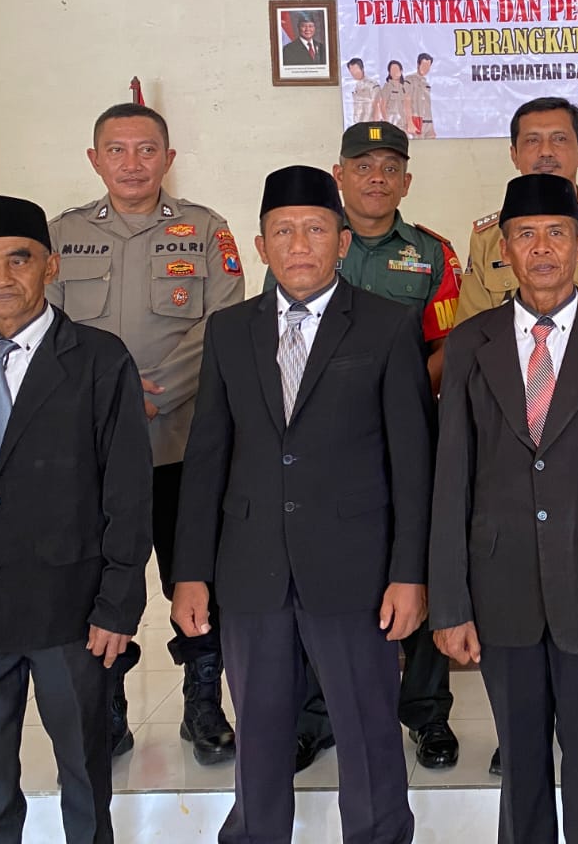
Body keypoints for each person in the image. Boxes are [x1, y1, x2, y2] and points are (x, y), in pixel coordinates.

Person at [172, 165, 433, 844]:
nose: (298, 245)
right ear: (261, 246)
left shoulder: (385, 326)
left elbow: (413, 464)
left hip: (355, 571)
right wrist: (189, 572)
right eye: (282, 231)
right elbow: (206, 458)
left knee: (367, 729)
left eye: (315, 229)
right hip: (250, 568)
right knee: (259, 731)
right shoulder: (230, 331)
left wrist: (410, 573)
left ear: (342, 241)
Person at [430, 173, 578, 844]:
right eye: (526, 235)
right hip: (500, 584)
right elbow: (450, 480)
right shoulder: (471, 342)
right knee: (520, 761)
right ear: (504, 249)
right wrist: (449, 603)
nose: (542, 248)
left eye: (556, 234)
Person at [0, 196, 152, 844]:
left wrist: (117, 604)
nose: (2, 277)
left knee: (83, 771)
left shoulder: (99, 360)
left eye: (19, 259)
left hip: (67, 611)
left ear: (50, 266)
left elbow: (129, 493)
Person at [261, 120, 463, 772]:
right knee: (319, 574)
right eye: (363, 165)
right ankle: (316, 716)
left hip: (409, 433)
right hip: (320, 446)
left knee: (417, 562)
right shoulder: (305, 241)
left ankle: (427, 714)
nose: (376, 177)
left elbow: (449, 344)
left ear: (406, 180)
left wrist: (396, 392)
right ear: (340, 174)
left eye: (389, 167)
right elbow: (279, 339)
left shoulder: (432, 254)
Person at [47, 103, 244, 765]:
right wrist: (109, 400)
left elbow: (223, 325)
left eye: (146, 149)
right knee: (96, 579)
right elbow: (48, 329)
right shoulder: (62, 235)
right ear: (95, 159)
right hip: (91, 452)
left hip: (182, 443)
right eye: (117, 150)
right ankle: (107, 707)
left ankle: (203, 704)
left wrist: (149, 393)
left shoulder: (206, 230)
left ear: (168, 157)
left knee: (197, 574)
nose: (132, 164)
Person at [456, 96, 578, 326]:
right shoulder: (488, 238)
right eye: (532, 140)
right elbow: (473, 333)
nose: (546, 151)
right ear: (514, 155)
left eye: (559, 139)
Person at [406, 52, 437, 138]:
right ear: (418, 65)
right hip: (417, 120)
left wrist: (431, 127)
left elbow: (427, 105)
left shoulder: (426, 83)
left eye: (428, 66)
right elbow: (406, 101)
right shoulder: (410, 79)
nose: (426, 69)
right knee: (418, 145)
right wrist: (410, 122)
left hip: (428, 121)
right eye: (424, 66)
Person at [374, 59, 410, 129]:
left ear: (401, 71)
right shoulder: (387, 87)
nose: (395, 72)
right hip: (391, 124)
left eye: (396, 70)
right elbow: (382, 106)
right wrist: (386, 121)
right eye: (392, 70)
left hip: (403, 124)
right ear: (389, 73)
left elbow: (408, 107)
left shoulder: (405, 88)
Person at [347, 57, 381, 124]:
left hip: (371, 124)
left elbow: (377, 107)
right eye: (352, 72)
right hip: (358, 125)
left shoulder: (372, 85)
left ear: (362, 69)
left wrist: (375, 127)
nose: (354, 74)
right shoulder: (355, 86)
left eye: (356, 71)